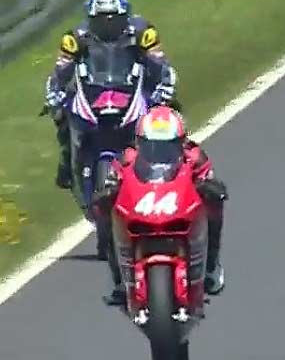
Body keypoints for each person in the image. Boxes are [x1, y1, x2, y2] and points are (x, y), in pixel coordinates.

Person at [43, 0, 178, 189]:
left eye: (114, 19)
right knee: (62, 115)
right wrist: (55, 92)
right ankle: (67, 158)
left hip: (134, 87)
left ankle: (179, 163)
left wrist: (164, 87)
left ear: (124, 15)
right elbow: (61, 69)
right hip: (93, 89)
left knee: (168, 114)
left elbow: (159, 63)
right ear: (91, 18)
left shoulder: (142, 32)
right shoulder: (75, 38)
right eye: (101, 19)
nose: (108, 24)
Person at [94, 106, 229, 306]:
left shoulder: (195, 157)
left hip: (178, 207)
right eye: (151, 146)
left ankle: (210, 266)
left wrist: (209, 188)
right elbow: (110, 183)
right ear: (139, 143)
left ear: (181, 143)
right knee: (107, 213)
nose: (159, 153)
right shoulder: (127, 159)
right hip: (142, 208)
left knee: (214, 206)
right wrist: (108, 193)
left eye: (168, 147)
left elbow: (211, 181)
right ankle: (120, 280)